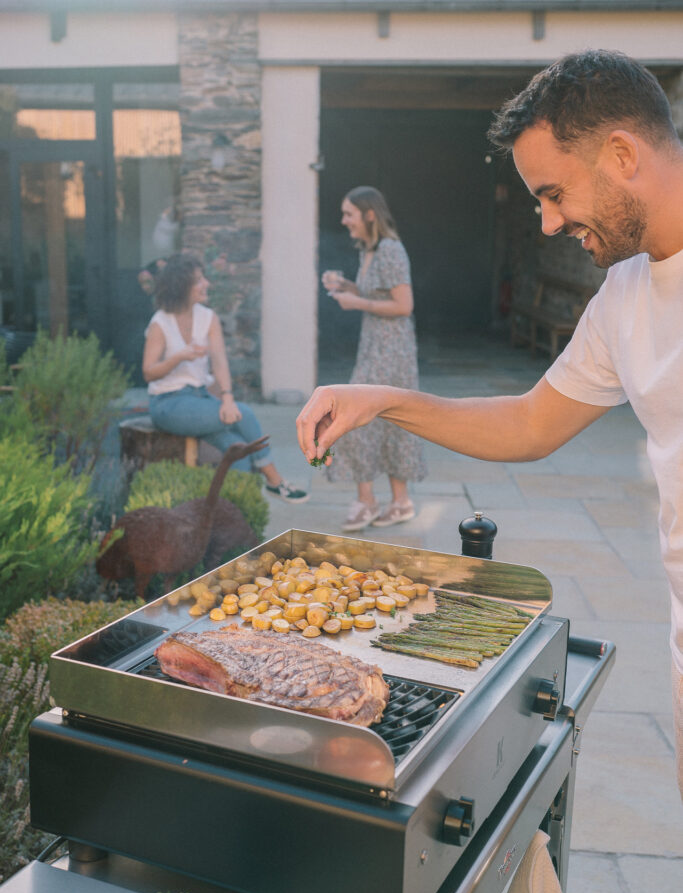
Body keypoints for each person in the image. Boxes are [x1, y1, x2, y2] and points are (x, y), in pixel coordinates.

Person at [297, 50, 683, 799]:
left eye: (552, 193)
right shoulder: (623, 296)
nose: (545, 222)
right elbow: (529, 423)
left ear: (620, 155)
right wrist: (381, 397)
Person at [143, 253, 308, 503]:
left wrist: (228, 398)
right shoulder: (161, 323)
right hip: (168, 404)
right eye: (198, 280)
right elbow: (148, 372)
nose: (206, 284)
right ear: (181, 286)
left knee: (237, 450)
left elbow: (219, 361)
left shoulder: (207, 318)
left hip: (200, 399)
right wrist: (179, 356)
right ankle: (275, 480)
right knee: (247, 415)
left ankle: (235, 513)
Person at [320, 185, 426, 531]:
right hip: (374, 346)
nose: (343, 220)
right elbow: (373, 293)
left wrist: (357, 303)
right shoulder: (368, 250)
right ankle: (400, 502)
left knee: (361, 415)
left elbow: (404, 305)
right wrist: (346, 286)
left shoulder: (391, 250)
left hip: (392, 351)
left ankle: (370, 502)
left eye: (349, 213)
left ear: (369, 215)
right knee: (384, 418)